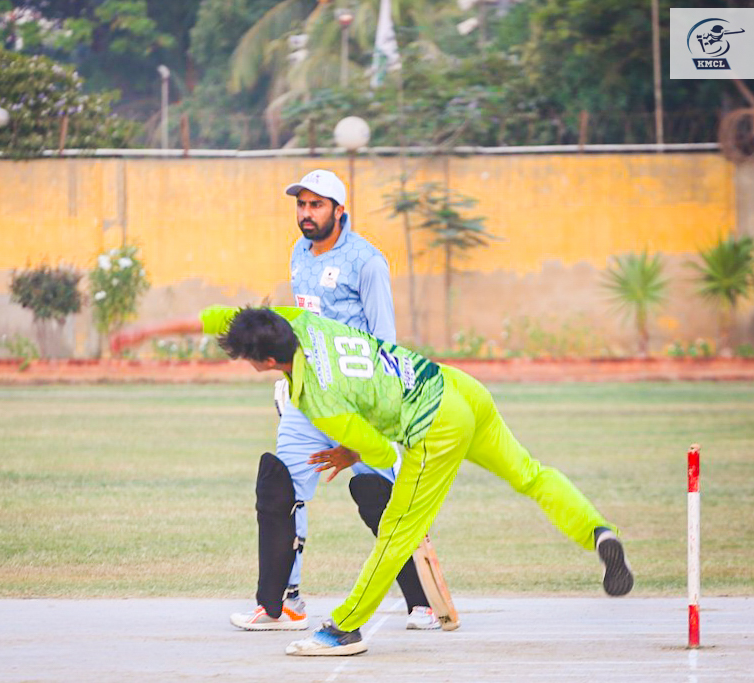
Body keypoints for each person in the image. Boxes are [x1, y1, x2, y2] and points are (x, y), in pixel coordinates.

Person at [194, 305, 635, 656]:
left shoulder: (318, 399)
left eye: (247, 358)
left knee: (396, 531)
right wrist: (180, 324)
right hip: (458, 387)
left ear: (269, 362)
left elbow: (384, 453)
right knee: (530, 474)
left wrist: (351, 452)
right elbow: (232, 316)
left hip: (435, 426)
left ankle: (345, 628)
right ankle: (597, 531)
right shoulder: (300, 321)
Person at [111, 170, 440, 632]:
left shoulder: (368, 262)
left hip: (361, 399)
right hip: (308, 396)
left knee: (377, 498)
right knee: (280, 490)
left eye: (316, 205)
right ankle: (282, 604)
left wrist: (369, 425)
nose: (306, 214)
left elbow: (385, 341)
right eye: (301, 205)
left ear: (339, 210)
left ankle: (423, 603)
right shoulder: (299, 253)